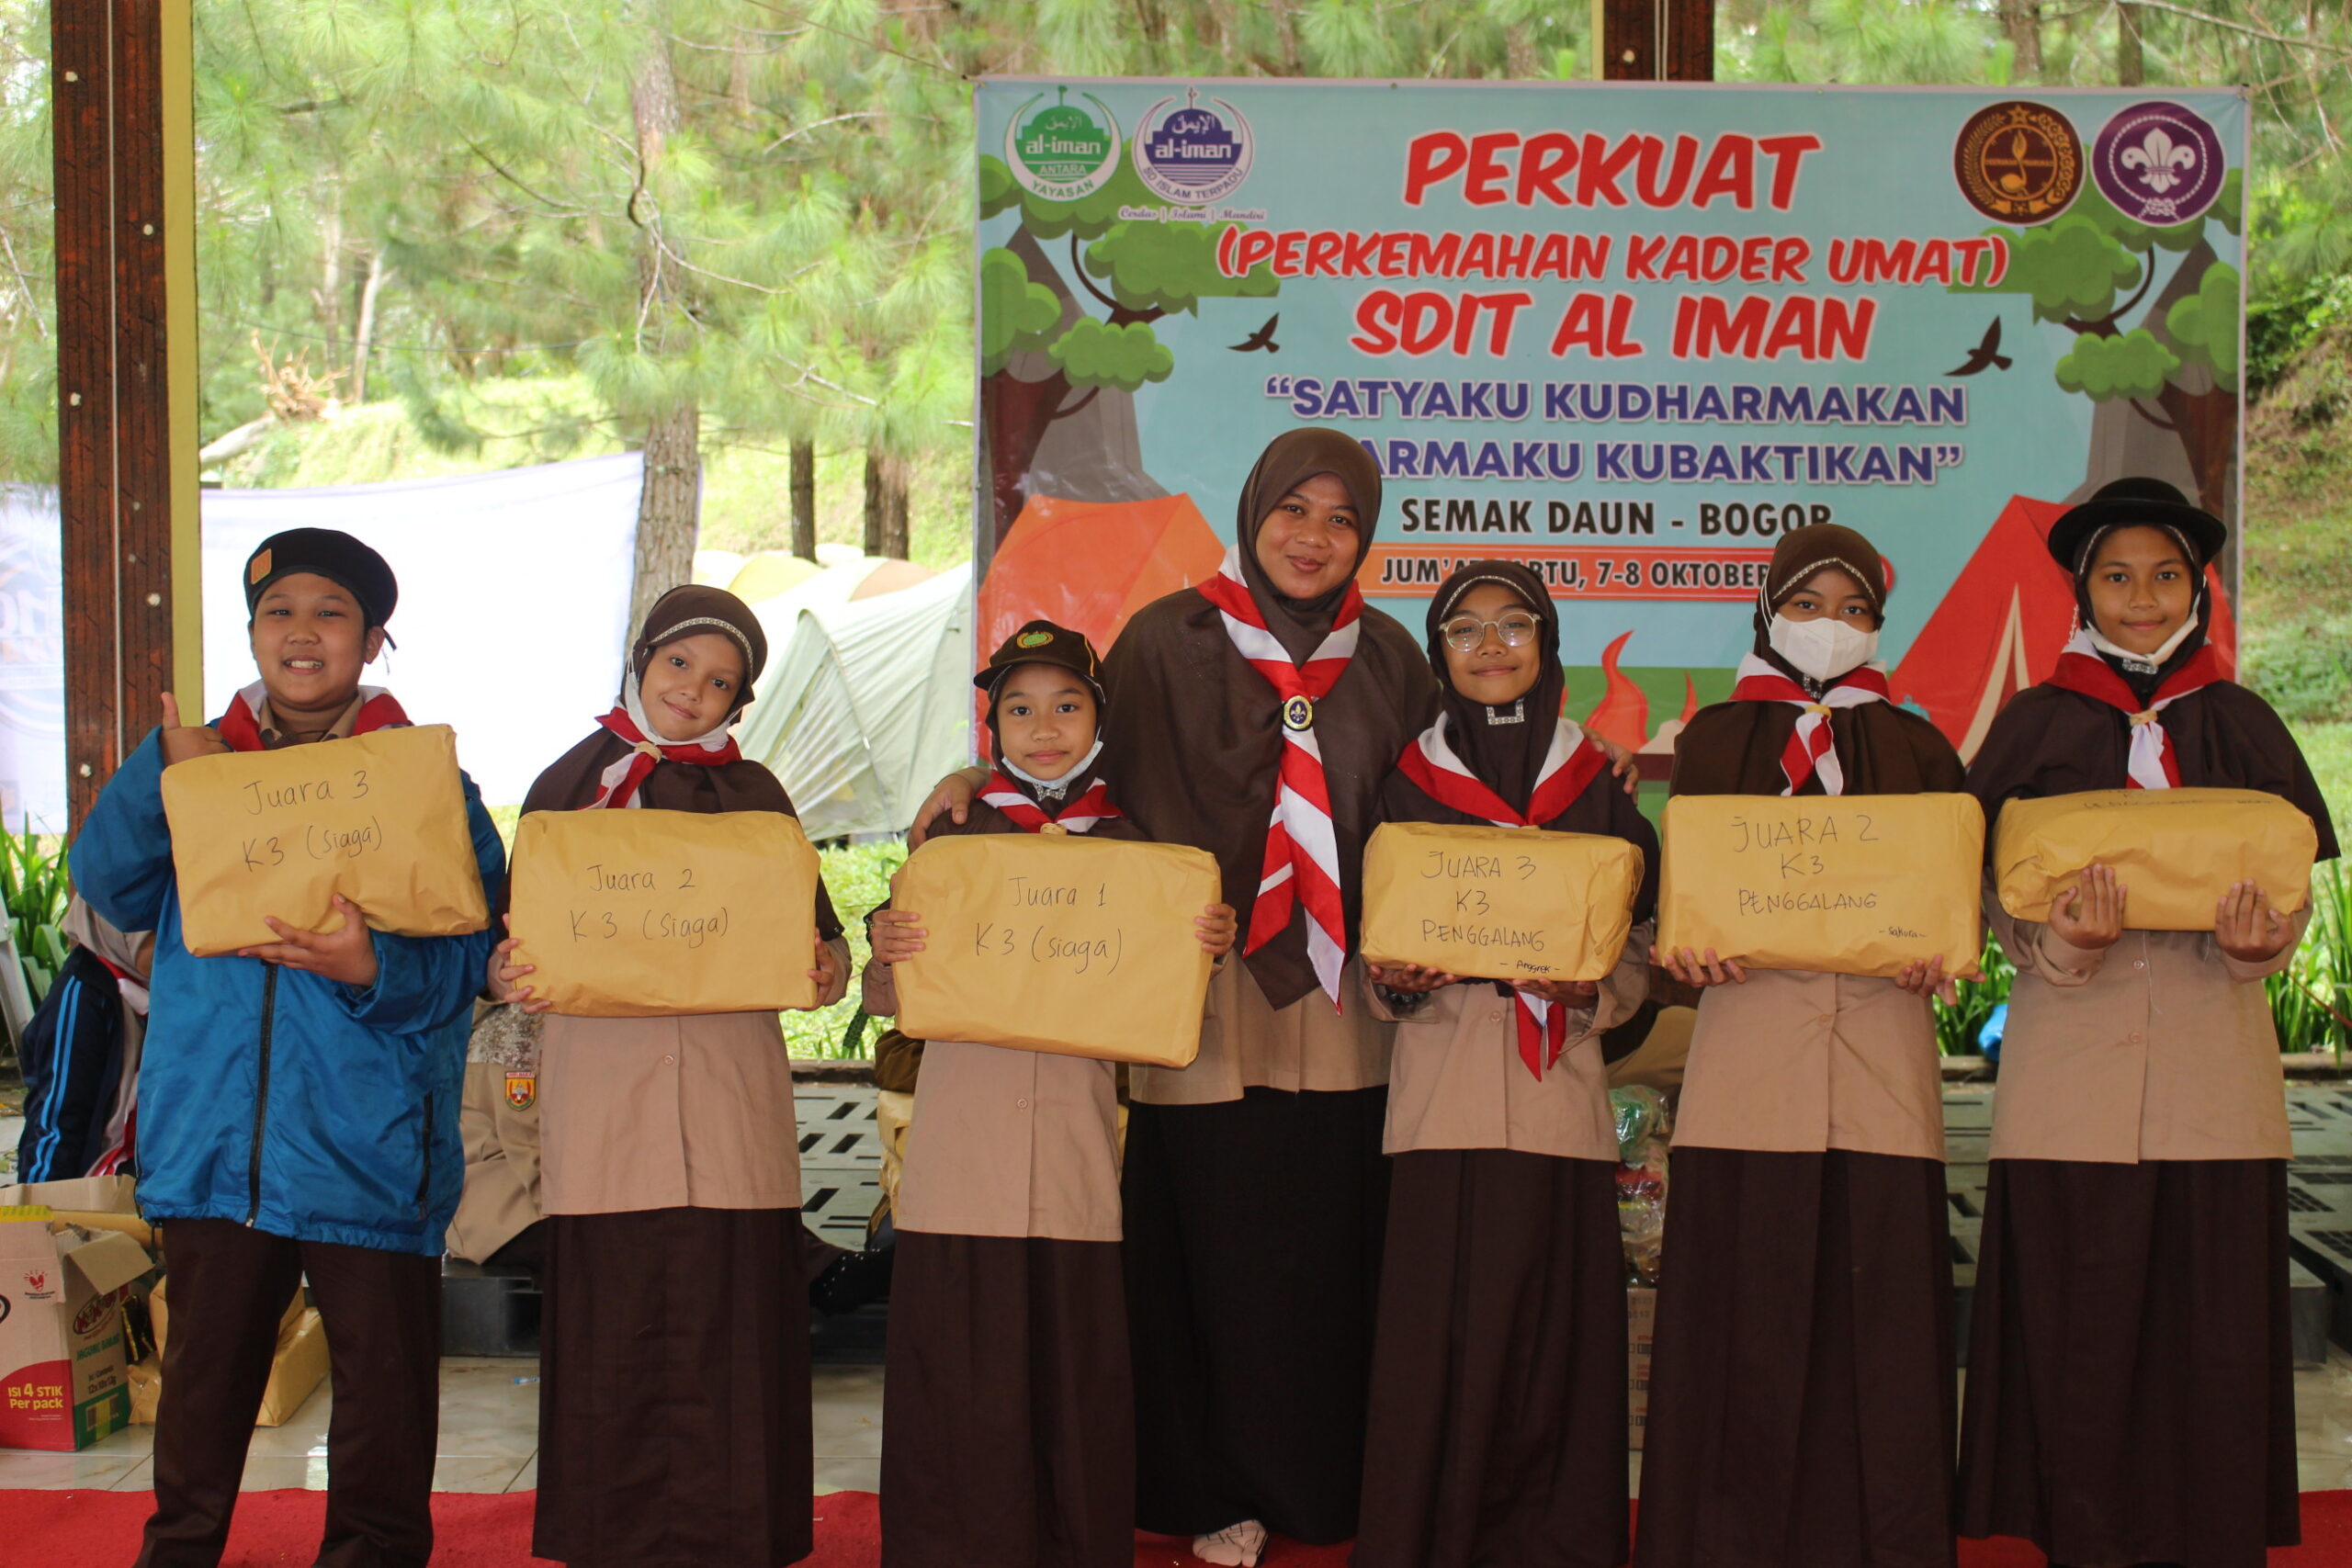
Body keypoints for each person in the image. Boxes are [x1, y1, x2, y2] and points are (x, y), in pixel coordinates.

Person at [916, 428, 1441, 1567]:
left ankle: (1323, 1488)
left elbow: (1435, 806)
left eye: (1341, 519)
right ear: (1253, 512)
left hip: (1341, 1009)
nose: (1312, 537)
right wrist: (971, 776)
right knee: (1204, 1254)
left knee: (1327, 1257)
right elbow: (1077, 765)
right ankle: (1210, 1492)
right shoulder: (1166, 636)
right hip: (1196, 1000)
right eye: (1293, 510)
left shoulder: (1393, 657)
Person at [73, 528, 504, 1568]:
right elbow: (108, 883)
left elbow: (472, 959)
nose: (302, 632)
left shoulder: (425, 780)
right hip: (212, 1139)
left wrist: (370, 966)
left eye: (330, 612)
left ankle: (373, 1552)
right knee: (203, 1378)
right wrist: (162, 774)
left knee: (383, 1386)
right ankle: (180, 1551)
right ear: (254, 631)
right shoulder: (197, 764)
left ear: (374, 639)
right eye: (279, 611)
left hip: (370, 1143)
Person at [1957, 478, 2337, 1568]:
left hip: (2215, 1079)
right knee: (2078, 1332)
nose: (2141, 598)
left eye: (2165, 576)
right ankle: (2078, 1539)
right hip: (2069, 1075)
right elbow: (1982, 889)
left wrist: (2259, 947)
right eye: (2117, 577)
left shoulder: (2243, 721)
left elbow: (2290, 884)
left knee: (2210, 1335)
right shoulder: (2032, 721)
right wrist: (2059, 943)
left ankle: (2211, 1541)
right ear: (2083, 591)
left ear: (2197, 589)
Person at [863, 618, 1238, 1568]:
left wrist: (1203, 949)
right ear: (991, 726)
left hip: (1078, 1148)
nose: (1043, 727)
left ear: (1098, 720)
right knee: (959, 1356)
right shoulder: (951, 836)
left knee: (1072, 1362)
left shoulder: (1136, 848)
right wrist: (886, 950)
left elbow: (1169, 1008)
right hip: (962, 1146)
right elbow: (886, 998)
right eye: (1020, 708)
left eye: (1066, 705)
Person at [492, 585, 850, 1568]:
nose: (693, 689)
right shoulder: (568, 784)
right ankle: (610, 1541)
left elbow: (820, 942)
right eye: (680, 662)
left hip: (730, 1100)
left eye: (721, 681)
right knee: (612, 1321)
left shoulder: (760, 795)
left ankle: (741, 1538)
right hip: (605, 1101)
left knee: (736, 1323)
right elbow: (509, 940)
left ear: (740, 702)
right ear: (642, 658)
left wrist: (826, 966)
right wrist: (504, 970)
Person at [1634, 524, 1965, 1568]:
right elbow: (1684, 897)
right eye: (1809, 605)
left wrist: (1939, 949)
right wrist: (1688, 946)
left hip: (1881, 1065)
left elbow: (1949, 898)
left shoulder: (1920, 747)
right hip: (1751, 1063)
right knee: (1744, 1310)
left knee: (1882, 1319)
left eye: (1855, 608)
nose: (1832, 626)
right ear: (1769, 612)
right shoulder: (1713, 739)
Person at [1352, 560, 1657, 1568]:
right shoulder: (1404, 782)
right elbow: (1369, 943)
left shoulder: (1598, 784)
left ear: (1546, 643)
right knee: (1440, 1335)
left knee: (1550, 1332)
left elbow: (1639, 947)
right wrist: (1395, 981)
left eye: (1513, 624)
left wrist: (1591, 992)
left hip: (1556, 1091)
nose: (1491, 646)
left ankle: (1554, 1542)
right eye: (1465, 629)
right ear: (1438, 653)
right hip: (1442, 1096)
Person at [12, 897, 153, 1183]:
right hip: (103, 1176)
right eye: (155, 933)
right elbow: (57, 1121)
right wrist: (41, 1201)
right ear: (117, 927)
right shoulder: (81, 1000)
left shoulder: (157, 988)